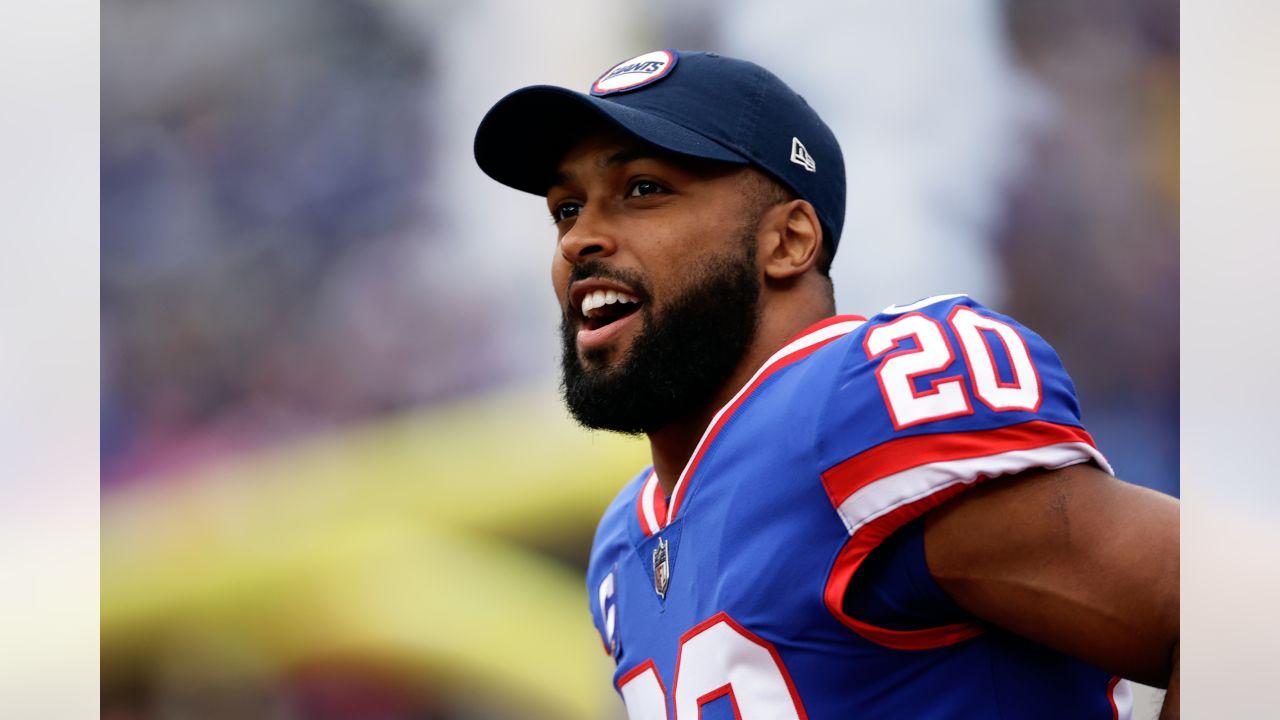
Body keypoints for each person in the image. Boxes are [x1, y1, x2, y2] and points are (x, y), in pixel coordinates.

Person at [473, 50, 1178, 719]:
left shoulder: (859, 408)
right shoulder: (625, 539)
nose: (578, 240)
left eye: (644, 190)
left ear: (788, 241)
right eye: (567, 208)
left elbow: (1238, 619)